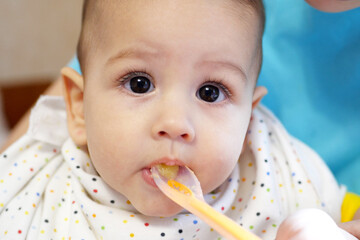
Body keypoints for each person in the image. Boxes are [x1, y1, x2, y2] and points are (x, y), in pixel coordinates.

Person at [0, 0, 359, 239]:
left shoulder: (280, 173)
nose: (174, 123)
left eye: (210, 92)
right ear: (78, 106)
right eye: (139, 84)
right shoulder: (36, 190)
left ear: (250, 118)